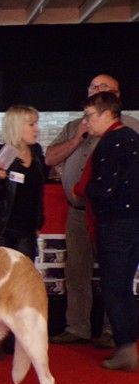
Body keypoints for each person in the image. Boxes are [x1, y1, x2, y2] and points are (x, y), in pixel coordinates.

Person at [46, 75, 139, 347]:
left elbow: (107, 183)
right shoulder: (74, 126)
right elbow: (49, 158)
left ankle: (115, 333)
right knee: (77, 270)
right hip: (79, 212)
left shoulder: (127, 130)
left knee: (115, 276)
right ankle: (78, 326)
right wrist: (78, 137)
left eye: (102, 89)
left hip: (111, 215)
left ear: (114, 100)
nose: (95, 91)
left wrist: (86, 190)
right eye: (92, 88)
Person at [76, 92, 139, 371]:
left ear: (106, 114)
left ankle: (125, 347)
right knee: (125, 286)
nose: (86, 122)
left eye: (89, 116)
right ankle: (129, 344)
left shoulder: (111, 142)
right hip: (133, 222)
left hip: (116, 224)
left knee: (114, 287)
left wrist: (83, 189)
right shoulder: (132, 138)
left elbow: (103, 189)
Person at [0, 105, 47, 261]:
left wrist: (38, 224)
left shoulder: (36, 152)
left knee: (26, 272)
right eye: (32, 124)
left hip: (27, 231)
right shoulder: (1, 155)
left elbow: (37, 194)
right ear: (17, 127)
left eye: (36, 123)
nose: (37, 129)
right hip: (3, 230)